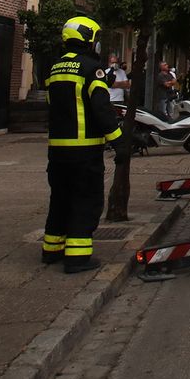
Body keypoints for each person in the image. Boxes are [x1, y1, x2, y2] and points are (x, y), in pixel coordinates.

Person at [43, 15, 132, 273]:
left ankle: (51, 250)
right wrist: (119, 143)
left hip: (57, 149)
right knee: (85, 200)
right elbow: (102, 109)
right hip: (84, 150)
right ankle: (77, 257)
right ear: (88, 40)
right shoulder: (92, 69)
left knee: (59, 199)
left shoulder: (55, 68)